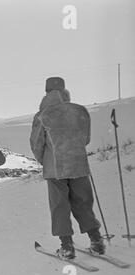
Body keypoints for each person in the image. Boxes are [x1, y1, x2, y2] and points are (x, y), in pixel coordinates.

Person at [30, 77, 105, 259]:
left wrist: (44, 161)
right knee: (83, 203)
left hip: (55, 169)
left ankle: (67, 247)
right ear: (65, 90)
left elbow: (36, 144)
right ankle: (96, 241)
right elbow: (85, 139)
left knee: (59, 206)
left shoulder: (43, 115)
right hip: (79, 165)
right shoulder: (80, 111)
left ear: (46, 92)